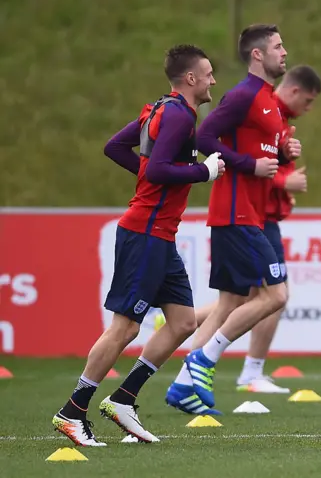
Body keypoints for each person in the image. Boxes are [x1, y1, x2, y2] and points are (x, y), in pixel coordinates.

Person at [51, 44, 226, 447]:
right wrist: (204, 171)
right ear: (191, 79)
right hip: (144, 233)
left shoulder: (161, 109)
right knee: (125, 326)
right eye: (209, 73)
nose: (214, 80)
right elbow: (162, 169)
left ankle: (124, 399)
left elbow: (116, 148)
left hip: (160, 236)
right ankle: (72, 411)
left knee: (183, 321)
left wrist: (151, 176)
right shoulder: (179, 116)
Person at [163, 23, 301, 413]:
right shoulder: (243, 95)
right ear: (257, 54)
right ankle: (202, 361)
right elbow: (205, 137)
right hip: (237, 211)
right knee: (275, 294)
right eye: (278, 46)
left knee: (230, 302)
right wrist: (249, 165)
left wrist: (285, 151)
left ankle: (183, 387)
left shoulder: (270, 100)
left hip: (250, 214)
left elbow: (264, 153)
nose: (284, 52)